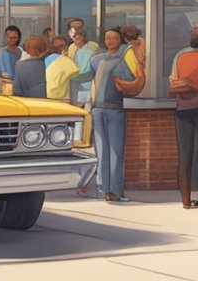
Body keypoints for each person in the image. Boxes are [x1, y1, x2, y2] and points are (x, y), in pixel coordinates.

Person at [87, 28, 135, 202]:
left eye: (114, 38)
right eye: (108, 38)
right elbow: (87, 82)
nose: (111, 41)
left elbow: (131, 85)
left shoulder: (122, 61)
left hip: (115, 108)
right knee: (101, 150)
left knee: (115, 150)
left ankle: (114, 190)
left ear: (120, 41)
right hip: (98, 109)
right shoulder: (95, 60)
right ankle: (103, 189)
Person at [170, 27, 198, 209]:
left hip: (182, 108)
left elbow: (173, 81)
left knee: (184, 157)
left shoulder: (181, 57)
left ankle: (185, 200)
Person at [66, 17, 100, 105]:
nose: (77, 31)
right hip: (75, 84)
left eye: (80, 28)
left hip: (90, 83)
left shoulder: (93, 46)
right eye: (74, 28)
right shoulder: (71, 48)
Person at [45, 35, 80, 102]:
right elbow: (77, 75)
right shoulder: (64, 60)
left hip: (48, 96)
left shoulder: (45, 58)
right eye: (62, 46)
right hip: (63, 98)